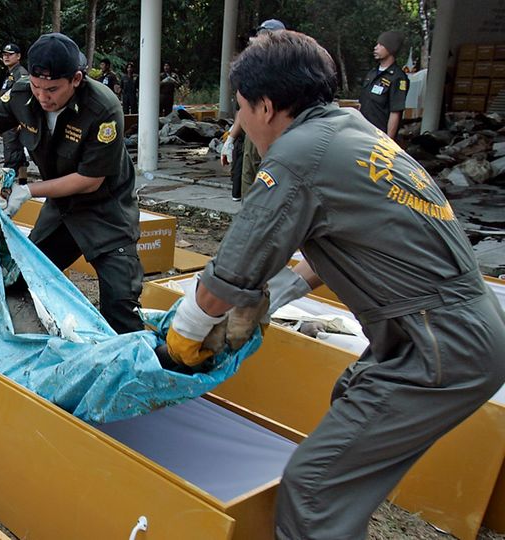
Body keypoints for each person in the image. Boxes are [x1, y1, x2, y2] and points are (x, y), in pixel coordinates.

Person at [164, 30, 505, 538]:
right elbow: (355, 241)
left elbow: (228, 276)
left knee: (314, 487)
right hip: (455, 333)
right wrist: (280, 294)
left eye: (239, 108)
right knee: (351, 400)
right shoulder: (355, 132)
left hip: (437, 344)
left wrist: (180, 341)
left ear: (266, 105)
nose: (239, 122)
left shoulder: (297, 156)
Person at [0, 33, 144, 334]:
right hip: (61, 208)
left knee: (120, 306)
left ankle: (135, 370)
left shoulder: (102, 108)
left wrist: (27, 191)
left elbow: (90, 181)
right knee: (22, 276)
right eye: (37, 87)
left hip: (106, 211)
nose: (43, 97)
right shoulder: (24, 94)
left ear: (75, 79)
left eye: (52, 89)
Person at [221, 18, 286, 202]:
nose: (257, 39)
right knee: (249, 178)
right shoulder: (254, 67)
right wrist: (231, 138)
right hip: (253, 132)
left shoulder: (285, 69)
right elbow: (244, 107)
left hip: (275, 133)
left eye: (263, 35)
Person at [359, 30, 409, 140]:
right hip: (363, 132)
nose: (375, 47)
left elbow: (395, 112)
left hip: (379, 137)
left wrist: (388, 142)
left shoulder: (397, 78)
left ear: (391, 49)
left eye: (381, 45)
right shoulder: (372, 73)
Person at [0, 43, 30, 179]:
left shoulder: (21, 73)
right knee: (19, 156)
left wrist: (21, 120)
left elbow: (25, 98)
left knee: (11, 155)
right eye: (4, 54)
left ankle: (4, 189)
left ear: (18, 56)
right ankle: (22, 183)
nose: (6, 57)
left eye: (10, 54)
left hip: (14, 121)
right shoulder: (11, 74)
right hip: (9, 120)